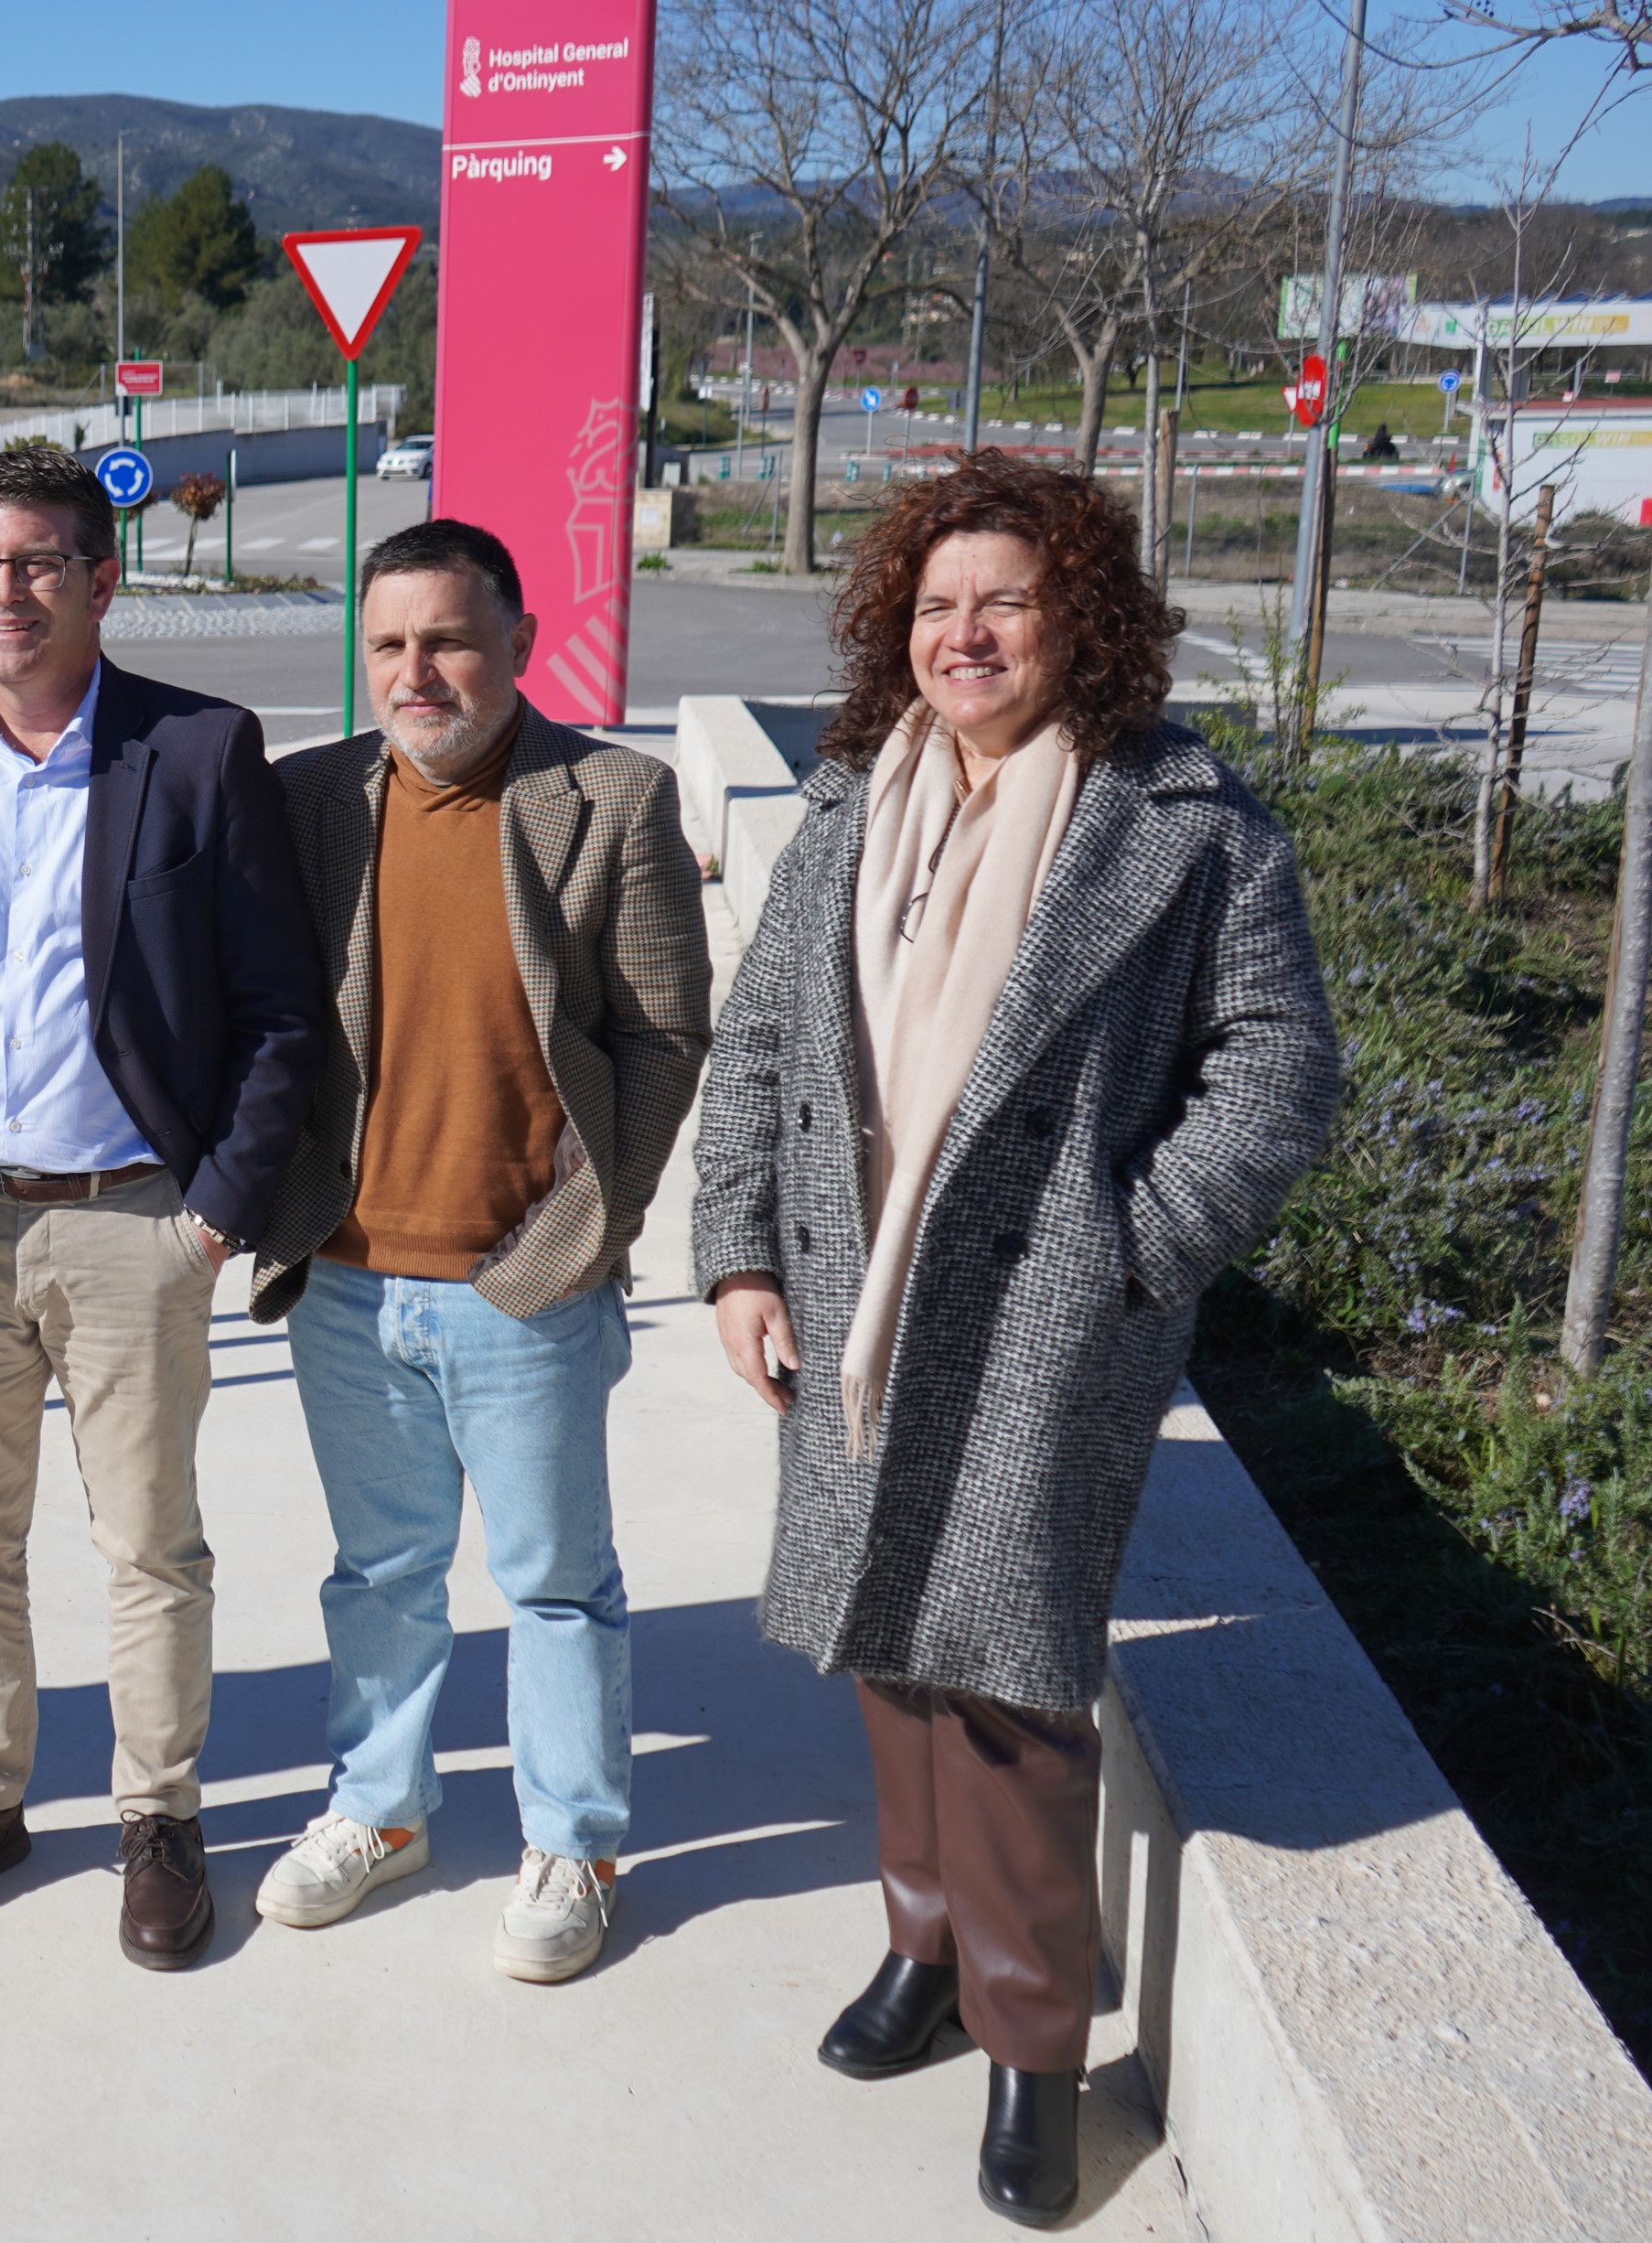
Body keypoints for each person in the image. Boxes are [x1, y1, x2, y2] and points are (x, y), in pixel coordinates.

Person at [689, 453, 1337, 2227]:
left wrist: (1129, 1247)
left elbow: (1275, 1068)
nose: (960, 636)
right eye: (931, 606)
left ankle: (1032, 2041)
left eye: (1001, 602)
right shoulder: (845, 800)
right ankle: (923, 1946)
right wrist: (737, 1255)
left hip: (1039, 1321)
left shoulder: (1179, 823)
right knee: (883, 1650)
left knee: (1010, 1691)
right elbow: (757, 1051)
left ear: (1077, 621)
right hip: (846, 1300)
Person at [0, 445, 323, 1970]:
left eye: (37, 561)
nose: (2, 590)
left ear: (101, 582)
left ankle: (157, 1816)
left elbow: (280, 1012)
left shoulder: (196, 751)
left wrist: (215, 1217)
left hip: (135, 1227)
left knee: (148, 1544)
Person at [241, 519, 710, 1980]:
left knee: (554, 1582)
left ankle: (572, 1842)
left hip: (520, 1285)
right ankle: (379, 1811)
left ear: (514, 639)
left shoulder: (608, 800)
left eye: (445, 637)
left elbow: (659, 1035)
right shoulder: (309, 799)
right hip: (346, 1270)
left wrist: (582, 1233)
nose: (414, 669)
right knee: (376, 1572)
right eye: (387, 644)